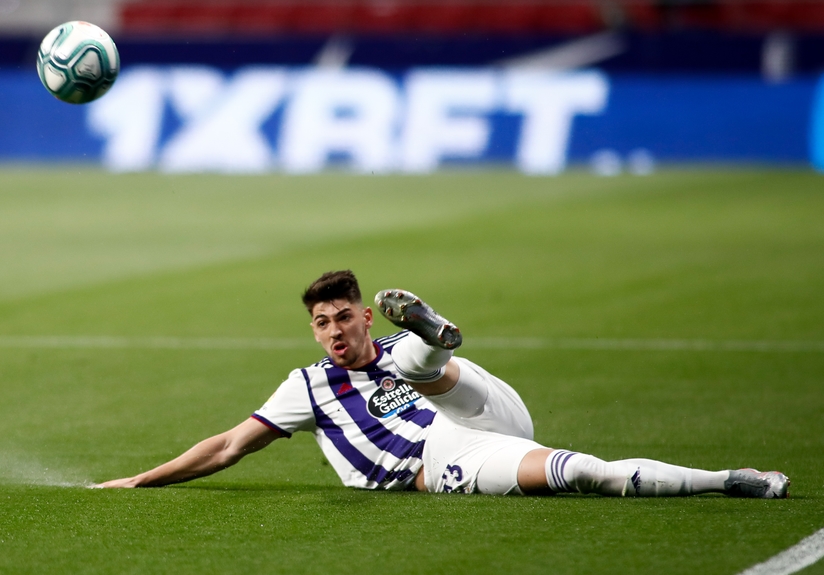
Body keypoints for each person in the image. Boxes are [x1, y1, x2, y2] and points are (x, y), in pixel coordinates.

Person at [99, 270, 789, 498]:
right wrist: (139, 479)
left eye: (343, 317)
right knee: (581, 471)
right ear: (312, 331)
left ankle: (434, 337)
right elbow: (226, 446)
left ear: (363, 315)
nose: (333, 331)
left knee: (412, 363)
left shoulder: (382, 347)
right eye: (321, 322)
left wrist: (424, 354)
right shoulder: (306, 385)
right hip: (440, 454)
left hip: (480, 403)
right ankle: (728, 477)